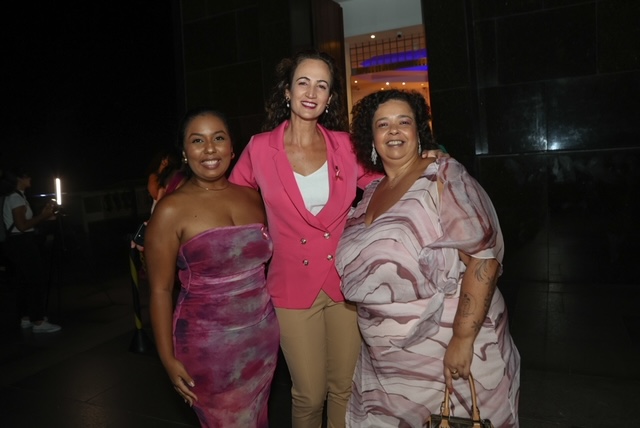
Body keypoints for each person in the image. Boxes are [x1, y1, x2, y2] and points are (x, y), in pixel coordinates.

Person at [230, 50, 443, 428]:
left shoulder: (344, 145)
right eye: (303, 82)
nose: (312, 92)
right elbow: (233, 202)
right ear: (287, 92)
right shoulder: (260, 148)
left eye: (322, 85)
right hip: (291, 287)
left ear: (329, 99)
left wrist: (420, 161)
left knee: (343, 387)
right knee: (309, 393)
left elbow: (384, 181)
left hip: (343, 283)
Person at [335, 89, 520, 427]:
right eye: (383, 124)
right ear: (371, 139)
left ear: (418, 131)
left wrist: (463, 340)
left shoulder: (443, 176)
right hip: (384, 367)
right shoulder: (372, 193)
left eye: (403, 122)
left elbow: (484, 259)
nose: (394, 131)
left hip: (445, 352)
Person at [144, 107, 280, 427]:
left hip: (261, 341)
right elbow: (160, 290)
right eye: (197, 140)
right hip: (208, 348)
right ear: (184, 151)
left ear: (232, 148)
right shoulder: (170, 210)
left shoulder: (253, 198)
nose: (209, 149)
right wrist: (167, 358)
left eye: (218, 138)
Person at [2, 167, 61, 333]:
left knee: (24, 281)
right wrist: (43, 216)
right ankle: (38, 321)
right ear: (19, 179)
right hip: (22, 243)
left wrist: (44, 215)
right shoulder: (16, 198)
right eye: (27, 175)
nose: (30, 178)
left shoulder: (17, 197)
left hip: (16, 243)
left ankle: (26, 317)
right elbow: (22, 226)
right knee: (35, 280)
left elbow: (24, 224)